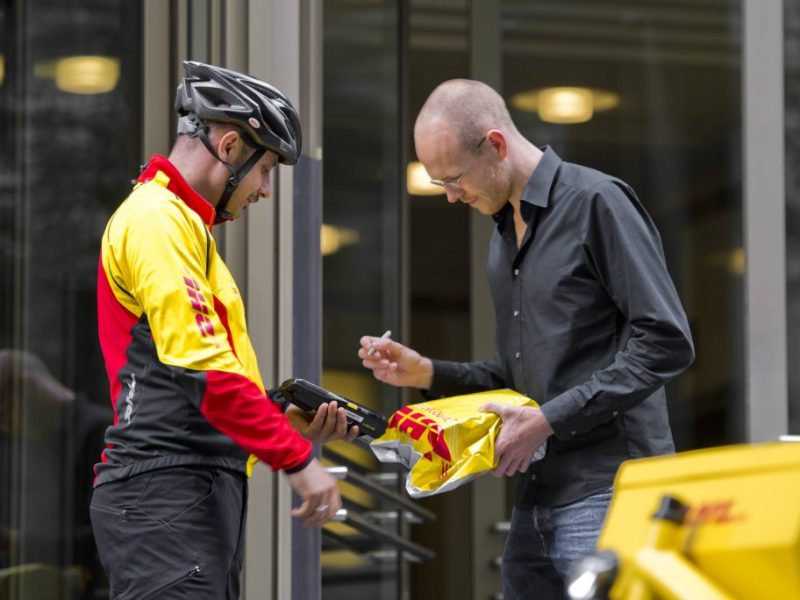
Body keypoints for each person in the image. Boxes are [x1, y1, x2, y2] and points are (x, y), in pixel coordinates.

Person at [359, 79, 694, 599]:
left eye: (453, 178)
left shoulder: (596, 202)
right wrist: (426, 372)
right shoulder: (502, 238)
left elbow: (666, 340)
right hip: (538, 497)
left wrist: (547, 421)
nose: (449, 196)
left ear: (495, 145)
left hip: (613, 490)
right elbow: (522, 378)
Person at [91, 61, 356, 600]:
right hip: (165, 490)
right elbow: (203, 371)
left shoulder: (183, 226)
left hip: (185, 489)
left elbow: (189, 371)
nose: (264, 189)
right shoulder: (157, 220)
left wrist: (283, 424)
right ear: (231, 146)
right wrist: (298, 461)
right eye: (266, 169)